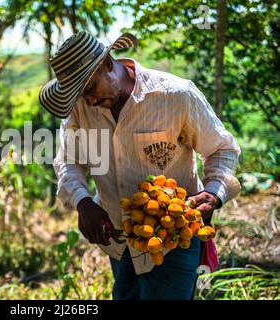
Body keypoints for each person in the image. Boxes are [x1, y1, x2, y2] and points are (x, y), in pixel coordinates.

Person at [39, 31, 241, 300]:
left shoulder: (175, 96)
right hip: (119, 242)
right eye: (79, 95)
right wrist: (82, 202)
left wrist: (214, 192)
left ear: (107, 65)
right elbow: (69, 161)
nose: (87, 101)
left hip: (173, 239)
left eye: (88, 89)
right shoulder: (79, 107)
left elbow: (222, 149)